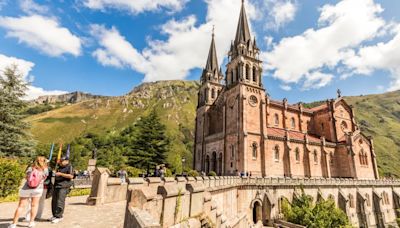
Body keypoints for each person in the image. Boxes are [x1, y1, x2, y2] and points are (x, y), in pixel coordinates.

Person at [8, 156, 48, 228]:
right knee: (34, 205)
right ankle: (31, 222)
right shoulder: (45, 169)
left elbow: (26, 177)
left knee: (21, 206)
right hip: (38, 189)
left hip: (26, 188)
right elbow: (44, 178)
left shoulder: (30, 168)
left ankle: (14, 224)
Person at [50, 156, 74, 224]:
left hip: (64, 186)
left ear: (66, 161)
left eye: (61, 161)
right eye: (60, 161)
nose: (60, 162)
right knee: (54, 201)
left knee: (60, 201)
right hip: (56, 185)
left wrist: (61, 174)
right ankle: (54, 215)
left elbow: (71, 176)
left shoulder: (69, 166)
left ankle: (59, 216)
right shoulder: (59, 167)